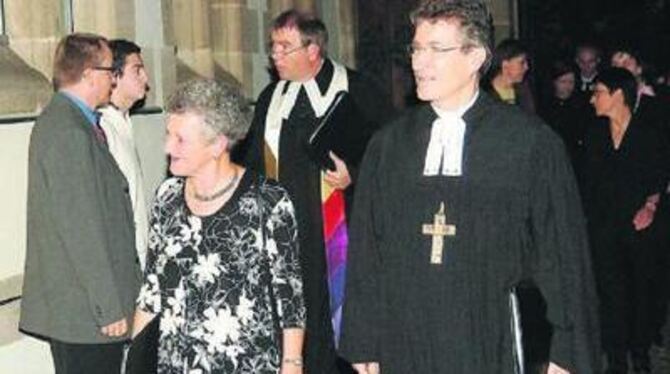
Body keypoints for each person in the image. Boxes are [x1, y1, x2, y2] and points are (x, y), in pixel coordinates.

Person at [339, 1, 600, 373]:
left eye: (436, 49)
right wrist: (363, 340)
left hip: (487, 337)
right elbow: (368, 248)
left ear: (476, 56)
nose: (419, 62)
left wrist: (566, 352)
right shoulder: (388, 145)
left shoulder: (529, 144)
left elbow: (562, 252)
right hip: (405, 339)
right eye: (416, 48)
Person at [240, 9, 389, 373]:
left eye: (284, 46)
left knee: (340, 323)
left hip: (343, 234)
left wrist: (355, 175)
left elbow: (391, 153)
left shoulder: (358, 89)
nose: (274, 54)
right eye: (273, 46)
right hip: (289, 239)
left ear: (313, 50)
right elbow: (251, 163)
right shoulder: (270, 98)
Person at [131, 79, 306, 373]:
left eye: (181, 139)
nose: (167, 146)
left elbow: (290, 296)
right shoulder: (167, 197)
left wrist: (292, 363)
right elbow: (151, 290)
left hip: (246, 363)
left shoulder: (269, 201)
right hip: (176, 364)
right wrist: (133, 362)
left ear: (218, 144)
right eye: (168, 134)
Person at [19, 33, 141, 374]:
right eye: (109, 71)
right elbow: (80, 229)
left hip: (88, 311)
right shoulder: (67, 131)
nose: (113, 79)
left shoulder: (77, 123)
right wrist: (108, 307)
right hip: (86, 314)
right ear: (89, 74)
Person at [582, 67, 669, 374]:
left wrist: (650, 206)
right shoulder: (594, 135)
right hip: (605, 228)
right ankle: (616, 359)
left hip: (640, 226)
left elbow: (659, 176)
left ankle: (641, 353)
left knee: (641, 291)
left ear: (618, 95)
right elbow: (588, 185)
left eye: (599, 92)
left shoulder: (648, 133)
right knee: (610, 293)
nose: (593, 99)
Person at [99, 39, 150, 270]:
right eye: (137, 70)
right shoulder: (103, 129)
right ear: (114, 76)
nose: (145, 79)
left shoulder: (123, 122)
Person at [539, 60, 592, 170]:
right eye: (563, 82)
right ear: (554, 82)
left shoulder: (582, 105)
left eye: (571, 82)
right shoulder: (544, 106)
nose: (568, 87)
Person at [481, 38, 535, 114]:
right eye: (521, 62)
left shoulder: (524, 92)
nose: (526, 67)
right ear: (505, 65)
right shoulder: (484, 93)